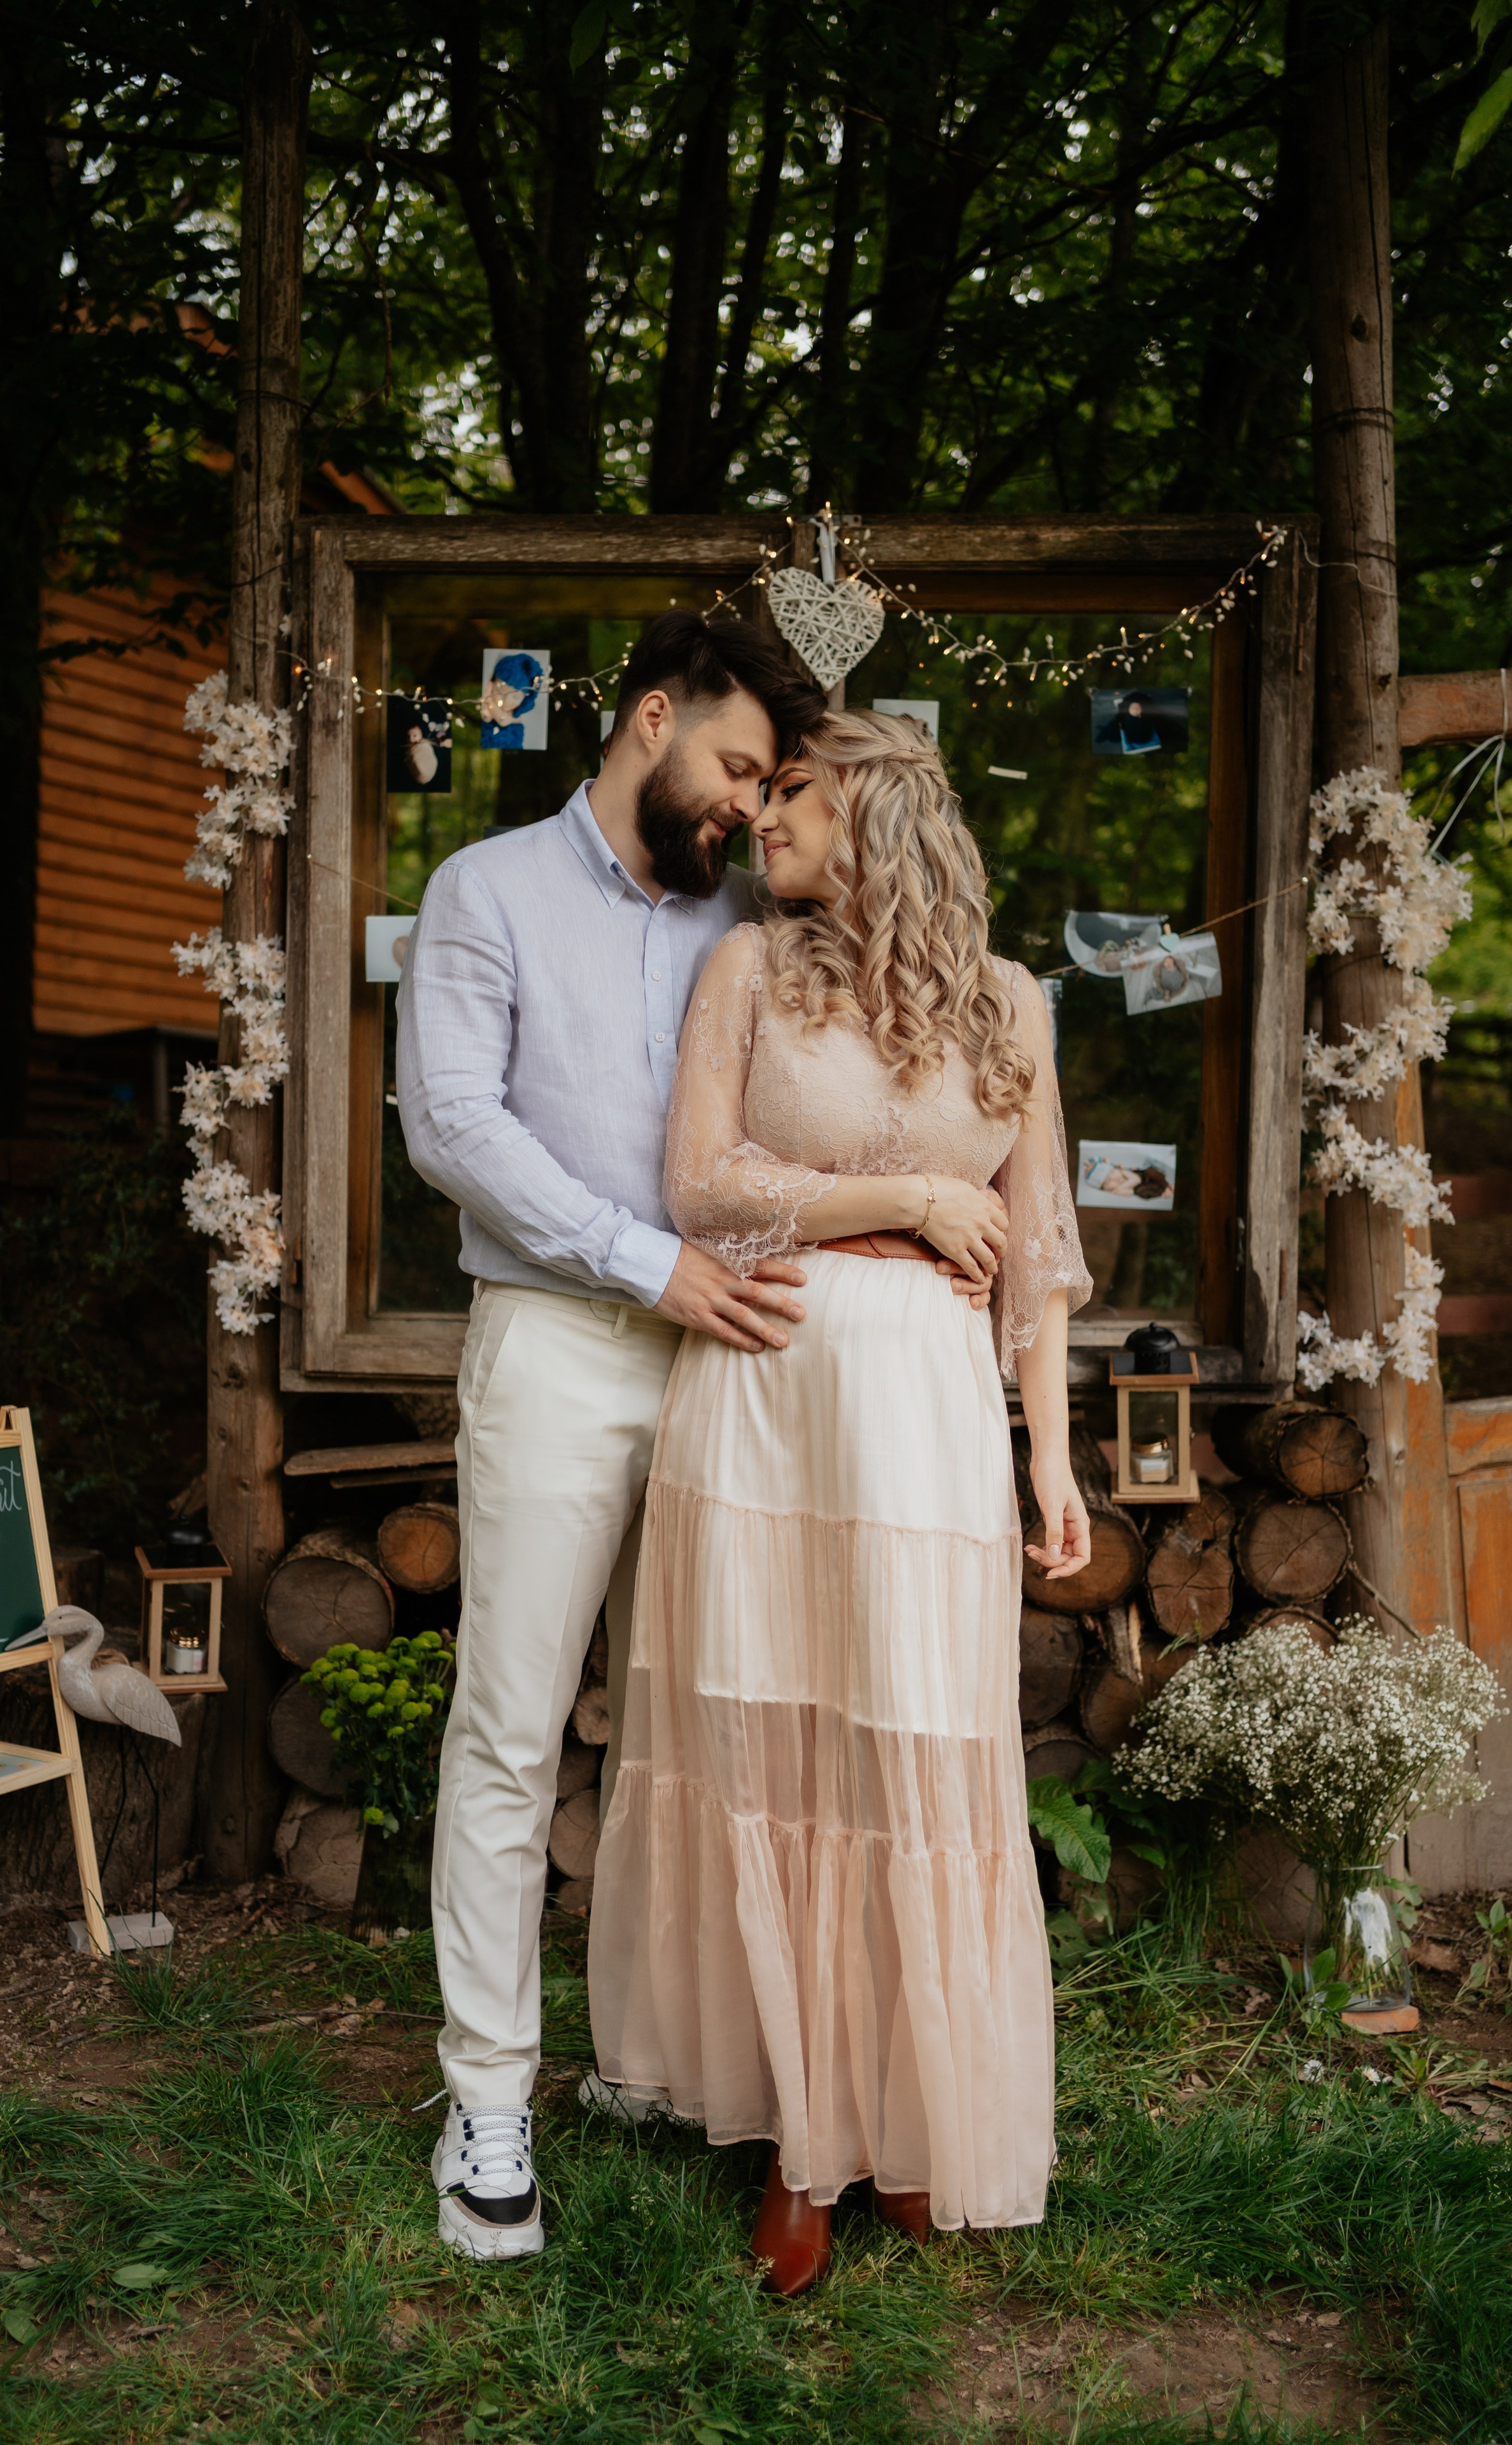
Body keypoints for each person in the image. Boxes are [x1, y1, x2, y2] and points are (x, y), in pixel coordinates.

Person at [588, 708, 1094, 2294]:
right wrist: (910, 1199)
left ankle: (902, 2119)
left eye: (787, 794)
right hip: (765, 1391)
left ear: (871, 809)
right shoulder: (746, 968)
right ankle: (794, 2138)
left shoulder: (1010, 1005)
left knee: (910, 1753)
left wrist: (1053, 1456)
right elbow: (702, 1185)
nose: (759, 822)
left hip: (925, 1417)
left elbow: (1045, 1267)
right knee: (769, 1743)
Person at [394, 611, 827, 2261]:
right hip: (564, 1349)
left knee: (690, 1732)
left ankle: (651, 2059)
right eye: (732, 766)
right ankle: (490, 2100)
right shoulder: (484, 893)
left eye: (768, 786)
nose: (743, 808)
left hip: (736, 1371)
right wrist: (652, 1262)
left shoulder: (748, 920)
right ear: (652, 716)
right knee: (513, 1733)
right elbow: (453, 1126)